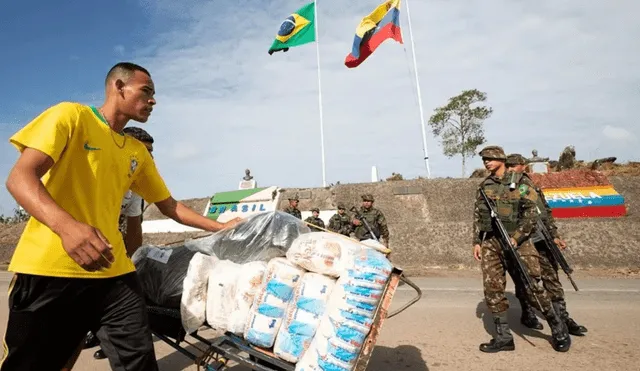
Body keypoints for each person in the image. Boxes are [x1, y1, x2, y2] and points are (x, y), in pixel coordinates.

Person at [0, 62, 242, 371]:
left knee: (138, 361)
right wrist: (67, 227)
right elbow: (20, 178)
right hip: (49, 271)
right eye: (146, 91)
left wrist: (220, 227)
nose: (153, 100)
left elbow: (169, 205)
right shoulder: (71, 117)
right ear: (118, 87)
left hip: (113, 275)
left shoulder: (136, 152)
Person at [472, 145, 570, 353]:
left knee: (532, 286)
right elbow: (477, 216)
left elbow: (532, 214)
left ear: (501, 159)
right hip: (492, 242)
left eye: (490, 158)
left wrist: (517, 237)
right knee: (493, 289)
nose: (487, 162)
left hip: (520, 241)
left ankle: (558, 329)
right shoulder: (485, 185)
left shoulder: (521, 181)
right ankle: (504, 337)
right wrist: (476, 241)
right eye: (484, 160)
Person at [83, 126, 157, 362]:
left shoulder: (135, 187)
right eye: (144, 151)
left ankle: (109, 341)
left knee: (126, 312)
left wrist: (131, 264)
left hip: (109, 251)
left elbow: (134, 231)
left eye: (152, 153)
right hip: (77, 252)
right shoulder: (94, 172)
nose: (150, 158)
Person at [505, 153, 588, 336]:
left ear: (523, 166)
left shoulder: (530, 185)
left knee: (552, 278)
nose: (510, 169)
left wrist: (554, 235)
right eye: (508, 166)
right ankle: (527, 313)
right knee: (525, 279)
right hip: (523, 240)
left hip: (542, 238)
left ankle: (563, 317)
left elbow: (544, 212)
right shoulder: (507, 186)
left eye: (514, 166)